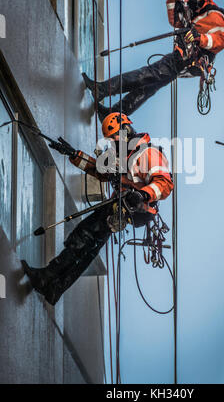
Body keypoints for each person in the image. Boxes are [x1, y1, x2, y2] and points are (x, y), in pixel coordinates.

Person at [22, 113, 173, 305]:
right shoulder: (122, 155)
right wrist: (74, 155)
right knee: (89, 246)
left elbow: (164, 183)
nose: (113, 144)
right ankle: (55, 287)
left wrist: (143, 195)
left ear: (125, 130)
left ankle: (47, 277)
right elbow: (100, 171)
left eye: (114, 139)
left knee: (83, 236)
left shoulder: (148, 153)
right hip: (120, 206)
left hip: (131, 207)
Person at [82, 0, 224, 120]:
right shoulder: (193, 10)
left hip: (190, 59)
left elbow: (221, 41)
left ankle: (102, 89)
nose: (185, 0)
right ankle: (112, 114)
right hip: (186, 59)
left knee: (146, 74)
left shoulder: (214, 15)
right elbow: (176, 22)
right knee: (150, 85)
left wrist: (199, 38)